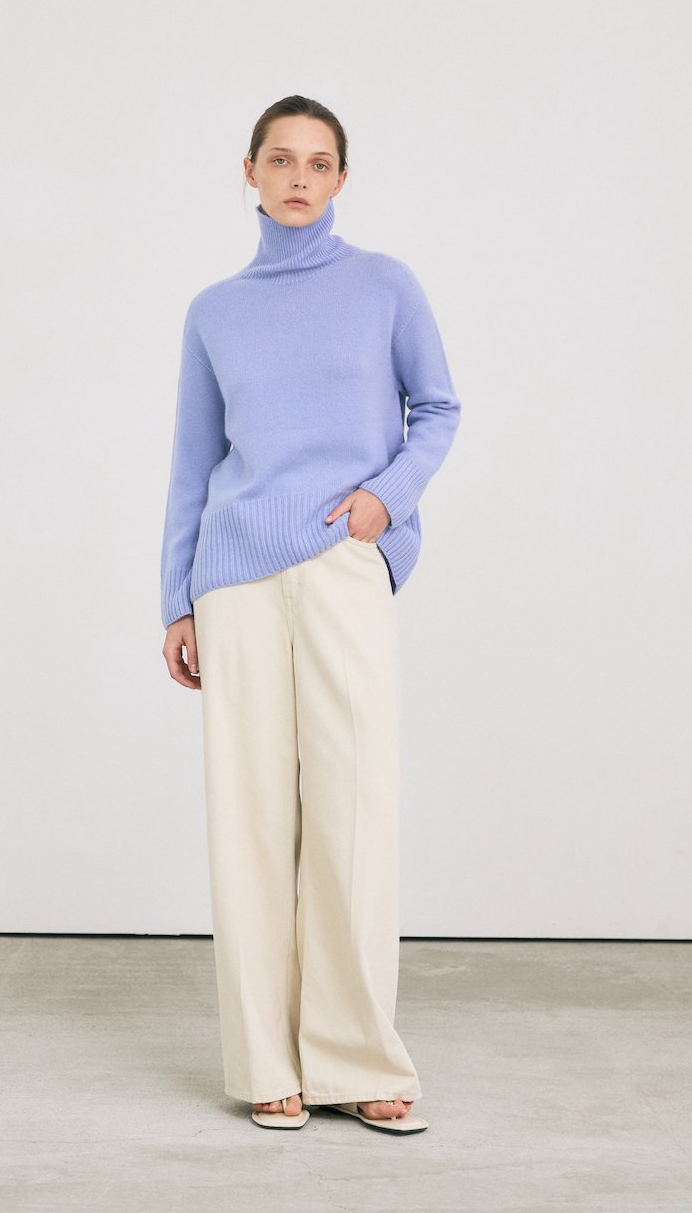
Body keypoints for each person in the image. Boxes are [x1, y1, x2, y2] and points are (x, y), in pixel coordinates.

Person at [160, 95, 460, 1134]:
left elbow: (439, 408)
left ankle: (357, 1055)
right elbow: (193, 461)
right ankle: (266, 1062)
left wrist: (385, 500)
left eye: (319, 162)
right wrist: (175, 598)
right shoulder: (214, 310)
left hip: (342, 560)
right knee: (248, 818)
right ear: (248, 171)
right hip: (234, 576)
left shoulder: (384, 286)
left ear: (340, 178)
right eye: (280, 159)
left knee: (354, 807)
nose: (299, 177)